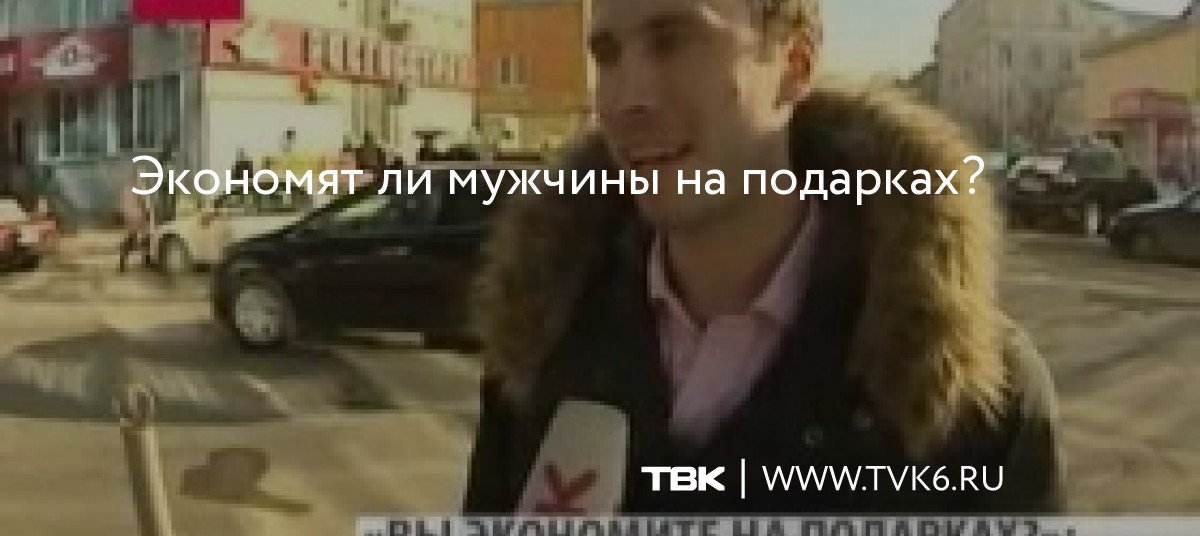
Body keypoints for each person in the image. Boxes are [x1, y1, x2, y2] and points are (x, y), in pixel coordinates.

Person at [462, 0, 1064, 514]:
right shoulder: (541, 343)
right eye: (608, 55)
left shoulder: (975, 399)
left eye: (673, 42)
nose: (626, 100)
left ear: (793, 67)